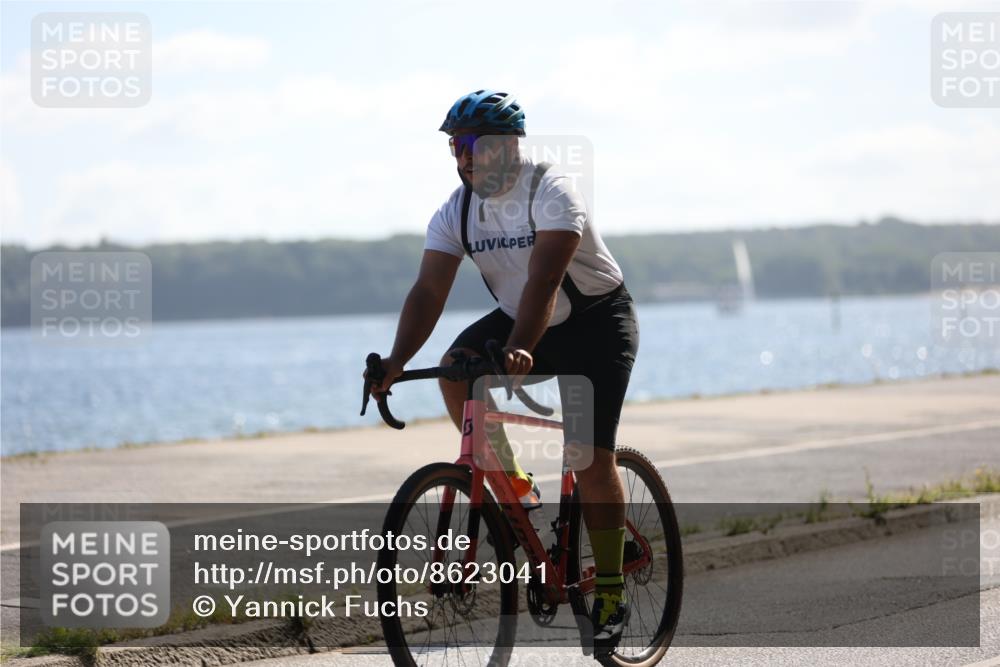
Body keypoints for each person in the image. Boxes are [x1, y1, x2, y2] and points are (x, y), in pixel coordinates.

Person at [366, 89, 639, 652]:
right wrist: (395, 362)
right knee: (454, 371)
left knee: (589, 457)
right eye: (454, 147)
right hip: (523, 319)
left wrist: (519, 349)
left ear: (509, 147)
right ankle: (511, 482)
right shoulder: (457, 210)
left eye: (471, 145)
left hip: (593, 324)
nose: (462, 157)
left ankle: (610, 587)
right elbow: (428, 290)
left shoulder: (551, 191)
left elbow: (543, 283)